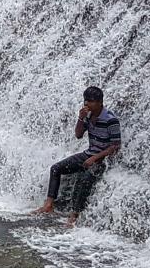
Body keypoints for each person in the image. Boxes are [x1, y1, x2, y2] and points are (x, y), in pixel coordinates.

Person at [34, 86, 121, 226]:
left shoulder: (111, 120)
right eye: (85, 101)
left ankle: (74, 215)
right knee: (56, 168)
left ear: (100, 102)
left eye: (90, 101)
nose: (87, 104)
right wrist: (80, 119)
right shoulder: (88, 115)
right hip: (88, 154)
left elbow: (115, 146)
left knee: (84, 179)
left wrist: (95, 158)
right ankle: (48, 205)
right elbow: (78, 135)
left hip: (102, 160)